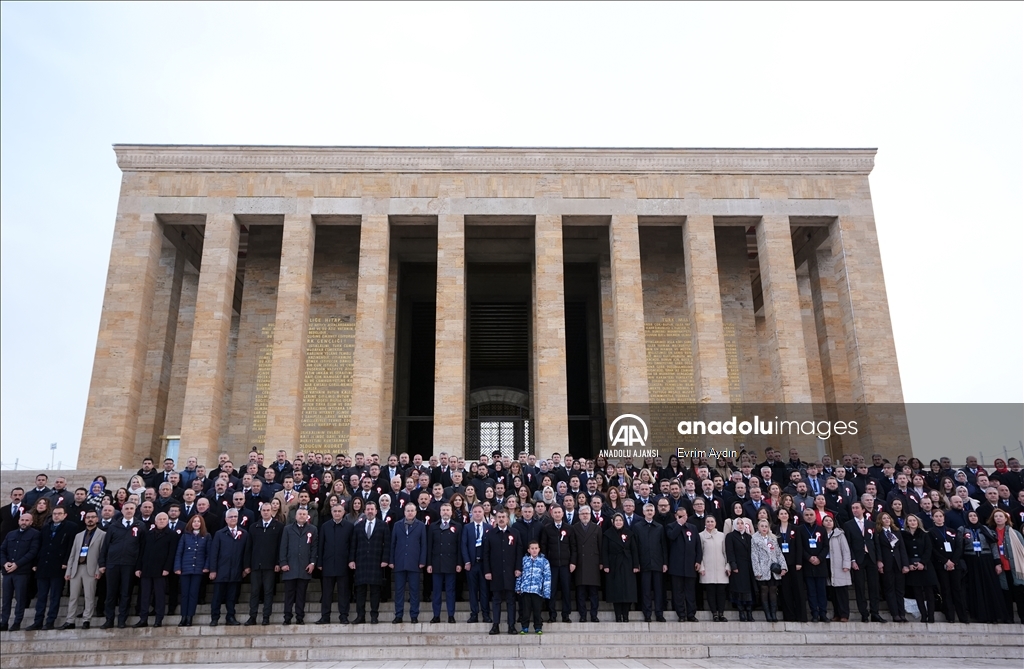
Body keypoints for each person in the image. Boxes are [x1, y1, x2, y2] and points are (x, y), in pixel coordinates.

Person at [27, 506, 74, 630]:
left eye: (59, 513)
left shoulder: (70, 527)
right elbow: (40, 546)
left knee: (55, 596)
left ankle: (50, 621)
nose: (56, 516)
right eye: (54, 514)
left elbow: (70, 547)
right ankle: (38, 620)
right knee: (41, 596)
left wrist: (66, 562)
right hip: (43, 565)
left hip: (58, 565)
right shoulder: (46, 528)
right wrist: (36, 563)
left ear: (65, 515)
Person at [99, 501, 146, 629]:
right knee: (111, 593)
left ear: (135, 510)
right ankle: (109, 620)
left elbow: (142, 548)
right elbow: (106, 546)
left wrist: (138, 566)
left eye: (131, 508)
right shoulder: (114, 526)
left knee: (126, 593)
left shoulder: (140, 526)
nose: (129, 510)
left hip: (129, 565)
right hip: (112, 564)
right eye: (127, 508)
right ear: (122, 510)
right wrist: (102, 563)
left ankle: (122, 620)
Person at [61, 510, 105, 630]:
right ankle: (70, 620)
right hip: (76, 568)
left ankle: (86, 619)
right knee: (73, 596)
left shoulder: (102, 535)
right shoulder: (79, 535)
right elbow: (72, 554)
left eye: (92, 517)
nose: (90, 519)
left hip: (90, 569)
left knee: (89, 596)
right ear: (85, 519)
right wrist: (68, 570)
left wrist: (98, 570)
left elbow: (102, 554)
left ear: (97, 519)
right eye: (88, 517)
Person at [133, 512, 177, 628]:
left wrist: (167, 568)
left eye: (164, 519)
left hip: (161, 570)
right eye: (159, 519)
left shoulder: (172, 535)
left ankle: (158, 619)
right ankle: (143, 619)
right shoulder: (147, 534)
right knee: (145, 595)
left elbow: (171, 554)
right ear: (155, 521)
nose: (162, 521)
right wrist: (138, 567)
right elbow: (141, 552)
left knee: (159, 596)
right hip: (146, 569)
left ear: (167, 521)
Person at [349, 500, 390, 624]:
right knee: (360, 591)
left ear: (376, 511)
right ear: (364, 511)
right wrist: (351, 560)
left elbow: (387, 544)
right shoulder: (358, 526)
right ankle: (360, 616)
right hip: (361, 562)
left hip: (376, 562)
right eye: (368, 509)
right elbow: (353, 545)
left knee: (375, 591)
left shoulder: (383, 525)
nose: (370, 511)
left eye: (372, 509)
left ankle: (374, 616)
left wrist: (385, 559)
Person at [483, 509, 522, 635]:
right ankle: (496, 625)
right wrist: (487, 571)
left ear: (507, 519)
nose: (501, 519)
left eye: (503, 517)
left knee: (511, 599)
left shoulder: (515, 533)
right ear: (496, 518)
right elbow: (486, 554)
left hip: (510, 572)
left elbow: (518, 552)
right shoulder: (490, 534)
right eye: (499, 517)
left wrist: (518, 568)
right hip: (496, 572)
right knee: (496, 600)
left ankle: (511, 625)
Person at [244, 503, 283, 625]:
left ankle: (266, 616)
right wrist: (247, 565)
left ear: (272, 511)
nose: (266, 512)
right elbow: (248, 547)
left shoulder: (279, 526)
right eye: (263, 510)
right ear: (260, 512)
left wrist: (278, 562)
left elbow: (280, 547)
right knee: (255, 592)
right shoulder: (253, 527)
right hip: (256, 565)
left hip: (270, 566)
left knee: (268, 592)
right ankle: (252, 616)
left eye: (268, 510)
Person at [962, 509, 1005, 623]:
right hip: (971, 562)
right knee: (976, 588)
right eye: (970, 516)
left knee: (990, 588)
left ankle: (993, 616)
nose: (973, 518)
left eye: (974, 515)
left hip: (986, 561)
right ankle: (979, 616)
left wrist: (997, 563)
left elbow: (994, 546)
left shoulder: (985, 529)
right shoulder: (963, 530)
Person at [208, 508, 248, 626]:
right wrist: (213, 570)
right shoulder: (220, 534)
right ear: (226, 519)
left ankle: (230, 617)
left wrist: (245, 568)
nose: (233, 519)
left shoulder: (244, 534)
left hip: (236, 571)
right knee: (217, 597)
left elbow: (246, 552)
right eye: (231, 517)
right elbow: (214, 553)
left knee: (232, 597)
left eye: (235, 516)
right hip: (221, 571)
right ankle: (215, 618)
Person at [0, 512, 40, 631]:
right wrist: (4, 563)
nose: (24, 522)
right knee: (6, 599)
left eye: (27, 520)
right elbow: (2, 550)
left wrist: (17, 564)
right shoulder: (11, 534)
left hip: (22, 572)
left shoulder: (35, 534)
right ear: (18, 521)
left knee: (20, 598)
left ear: (31, 522)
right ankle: (4, 622)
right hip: (8, 571)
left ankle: (17, 622)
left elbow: (32, 552)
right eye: (22, 520)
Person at [928, 508, 969, 624]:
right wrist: (945, 561)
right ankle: (950, 616)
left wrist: (953, 561)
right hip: (941, 565)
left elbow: (958, 547)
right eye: (936, 516)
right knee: (945, 590)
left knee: (957, 589)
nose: (939, 518)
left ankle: (963, 616)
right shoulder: (930, 532)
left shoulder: (952, 531)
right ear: (933, 518)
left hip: (954, 564)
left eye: (941, 516)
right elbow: (933, 549)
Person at [317, 503, 354, 625]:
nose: (337, 513)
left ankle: (343, 616)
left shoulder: (349, 527)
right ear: (331, 512)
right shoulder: (325, 526)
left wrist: (351, 560)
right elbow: (321, 545)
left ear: (343, 513)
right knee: (327, 593)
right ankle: (325, 616)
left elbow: (352, 546)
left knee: (343, 593)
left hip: (343, 565)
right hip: (327, 564)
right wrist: (320, 563)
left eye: (339, 511)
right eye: (335, 511)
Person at [279, 507, 317, 625]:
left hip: (304, 567)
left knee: (301, 594)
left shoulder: (313, 529)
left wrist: (312, 563)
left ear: (307, 516)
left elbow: (314, 548)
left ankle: (300, 617)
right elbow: (283, 546)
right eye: (299, 514)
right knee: (289, 594)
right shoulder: (287, 529)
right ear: (295, 516)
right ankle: (287, 617)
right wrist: (283, 563)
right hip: (290, 566)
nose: (301, 516)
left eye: (304, 514)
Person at [390, 502, 426, 624]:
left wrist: (422, 560)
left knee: (414, 591)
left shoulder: (421, 526)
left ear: (416, 512)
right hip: (399, 562)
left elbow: (423, 544)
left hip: (414, 563)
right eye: (408, 511)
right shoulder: (397, 525)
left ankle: (414, 615)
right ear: (404, 512)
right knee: (399, 591)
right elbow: (393, 544)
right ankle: (398, 615)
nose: (410, 513)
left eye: (412, 511)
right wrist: (391, 560)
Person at [426, 502, 461, 623]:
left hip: (451, 563)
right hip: (436, 563)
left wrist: (459, 563)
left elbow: (459, 547)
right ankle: (436, 615)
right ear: (440, 512)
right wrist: (429, 563)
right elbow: (429, 546)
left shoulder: (457, 526)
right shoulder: (433, 526)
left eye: (447, 510)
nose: (445, 512)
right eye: (443, 510)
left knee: (450, 591)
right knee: (436, 591)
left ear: (451, 512)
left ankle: (451, 615)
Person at [665, 507, 702, 622]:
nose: (682, 518)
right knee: (678, 592)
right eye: (680, 516)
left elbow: (698, 546)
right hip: (676, 566)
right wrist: (679, 524)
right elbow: (671, 536)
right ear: (676, 516)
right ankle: (681, 614)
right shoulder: (671, 526)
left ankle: (691, 614)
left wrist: (698, 560)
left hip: (690, 565)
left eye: (684, 516)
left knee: (690, 591)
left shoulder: (693, 528)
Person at [601, 513, 639, 622]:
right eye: (616, 520)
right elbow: (605, 550)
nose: (618, 522)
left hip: (627, 564)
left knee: (628, 590)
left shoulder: (629, 533)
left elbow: (634, 550)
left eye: (620, 520)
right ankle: (618, 615)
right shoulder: (607, 534)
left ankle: (626, 615)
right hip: (613, 565)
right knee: (616, 591)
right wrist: (606, 565)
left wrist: (636, 565)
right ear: (613, 522)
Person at [173, 514, 210, 627]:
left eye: (198, 522)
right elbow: (179, 553)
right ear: (191, 523)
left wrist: (206, 566)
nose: (196, 523)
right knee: (185, 594)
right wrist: (177, 567)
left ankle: (190, 617)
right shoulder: (185, 536)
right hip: (185, 569)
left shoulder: (206, 536)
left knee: (193, 594)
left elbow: (208, 553)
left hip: (198, 569)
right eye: (194, 521)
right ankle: (183, 617)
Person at [634, 503, 668, 622]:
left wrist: (665, 563)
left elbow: (663, 546)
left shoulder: (659, 527)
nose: (649, 512)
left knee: (658, 590)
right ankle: (647, 614)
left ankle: (659, 613)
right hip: (644, 564)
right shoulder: (637, 527)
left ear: (654, 512)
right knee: (645, 591)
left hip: (658, 563)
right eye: (647, 510)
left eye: (651, 510)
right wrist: (636, 563)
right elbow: (635, 546)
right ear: (643, 512)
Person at [989, 508, 1024, 623]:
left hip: (1015, 567)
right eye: (996, 516)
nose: (998, 518)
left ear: (1006, 518)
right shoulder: (991, 533)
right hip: (1001, 568)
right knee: (1005, 594)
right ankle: (1008, 618)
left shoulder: (1015, 533)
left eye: (1000, 516)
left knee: (1019, 593)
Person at [539, 504, 572, 623]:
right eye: (555, 513)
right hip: (551, 565)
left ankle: (566, 615)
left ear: (563, 514)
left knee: (566, 590)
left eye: (559, 512)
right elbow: (543, 546)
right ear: (552, 514)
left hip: (565, 564)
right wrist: (545, 562)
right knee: (551, 591)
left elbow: (573, 547)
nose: (557, 514)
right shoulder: (547, 528)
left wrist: (572, 562)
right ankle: (552, 615)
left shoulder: (569, 528)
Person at [568, 506, 602, 623]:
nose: (585, 516)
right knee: (581, 592)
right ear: (579, 515)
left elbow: (600, 546)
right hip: (580, 563)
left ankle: (594, 615)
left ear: (590, 514)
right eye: (582, 514)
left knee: (593, 593)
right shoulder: (574, 528)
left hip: (593, 563)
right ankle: (582, 615)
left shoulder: (596, 528)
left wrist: (601, 562)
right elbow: (572, 547)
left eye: (587, 513)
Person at [874, 511, 909, 623]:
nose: (887, 520)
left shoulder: (896, 532)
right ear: (880, 520)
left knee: (899, 589)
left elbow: (902, 549)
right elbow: (878, 548)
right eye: (884, 518)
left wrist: (905, 564)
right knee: (890, 589)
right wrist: (879, 561)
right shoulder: (878, 533)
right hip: (887, 563)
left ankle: (902, 614)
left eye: (888, 518)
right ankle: (895, 614)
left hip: (898, 563)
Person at [902, 513, 936, 622]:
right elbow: (903, 551)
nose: (912, 522)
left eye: (914, 520)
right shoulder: (903, 535)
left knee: (929, 592)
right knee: (917, 593)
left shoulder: (925, 534)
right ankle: (923, 615)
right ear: (907, 523)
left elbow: (928, 549)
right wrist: (908, 564)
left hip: (925, 566)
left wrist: (923, 563)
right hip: (912, 567)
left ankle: (931, 615)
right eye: (910, 520)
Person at [461, 503, 491, 623]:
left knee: (484, 590)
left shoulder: (489, 527)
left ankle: (486, 614)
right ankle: (474, 613)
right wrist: (467, 561)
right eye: (475, 512)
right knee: (473, 591)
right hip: (472, 564)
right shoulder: (467, 527)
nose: (477, 514)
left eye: (480, 512)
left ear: (483, 513)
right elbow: (463, 545)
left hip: (484, 565)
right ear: (472, 513)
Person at [751, 518, 786, 622]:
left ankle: (773, 613)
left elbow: (779, 553)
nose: (764, 528)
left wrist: (783, 566)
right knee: (764, 591)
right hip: (763, 568)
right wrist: (757, 571)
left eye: (766, 526)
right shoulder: (754, 539)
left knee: (773, 591)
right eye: (762, 526)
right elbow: (754, 555)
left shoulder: (773, 538)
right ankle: (767, 615)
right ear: (758, 527)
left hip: (773, 569)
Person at [799, 507, 829, 623]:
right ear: (803, 516)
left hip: (820, 564)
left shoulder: (821, 530)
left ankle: (823, 613)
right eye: (806, 515)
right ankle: (814, 614)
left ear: (815, 516)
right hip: (808, 564)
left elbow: (826, 546)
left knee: (822, 591)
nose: (809, 517)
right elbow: (800, 546)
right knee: (811, 591)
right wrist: (809, 557)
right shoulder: (800, 529)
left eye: (811, 514)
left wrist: (819, 558)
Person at [515, 540, 551, 634]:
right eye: (532, 548)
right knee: (525, 610)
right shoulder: (524, 560)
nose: (534, 550)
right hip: (526, 590)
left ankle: (538, 627)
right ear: (528, 550)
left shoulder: (544, 561)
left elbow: (547, 577)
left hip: (537, 590)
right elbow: (520, 575)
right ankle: (525, 627)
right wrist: (518, 587)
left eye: (536, 548)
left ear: (539, 549)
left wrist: (546, 591)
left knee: (537, 610)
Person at [698, 515, 729, 621]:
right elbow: (699, 553)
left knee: (721, 592)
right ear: (705, 523)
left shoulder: (721, 535)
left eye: (712, 521)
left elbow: (725, 552)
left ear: (715, 523)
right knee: (711, 592)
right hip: (708, 568)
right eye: (708, 521)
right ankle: (714, 613)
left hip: (721, 568)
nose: (710, 523)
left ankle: (721, 613)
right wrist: (701, 567)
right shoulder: (701, 536)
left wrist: (727, 565)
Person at [726, 517, 756, 621]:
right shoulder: (730, 536)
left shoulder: (749, 537)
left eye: (741, 523)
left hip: (748, 567)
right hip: (738, 567)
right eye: (737, 523)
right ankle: (741, 612)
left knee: (748, 590)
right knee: (739, 589)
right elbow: (730, 552)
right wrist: (733, 565)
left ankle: (749, 612)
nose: (740, 525)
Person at [822, 514, 851, 622]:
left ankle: (844, 614)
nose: (828, 522)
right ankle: (837, 614)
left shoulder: (839, 534)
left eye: (830, 520)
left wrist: (846, 564)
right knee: (832, 592)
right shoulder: (821, 534)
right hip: (827, 563)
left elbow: (846, 550)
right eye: (826, 520)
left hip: (838, 564)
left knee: (841, 591)